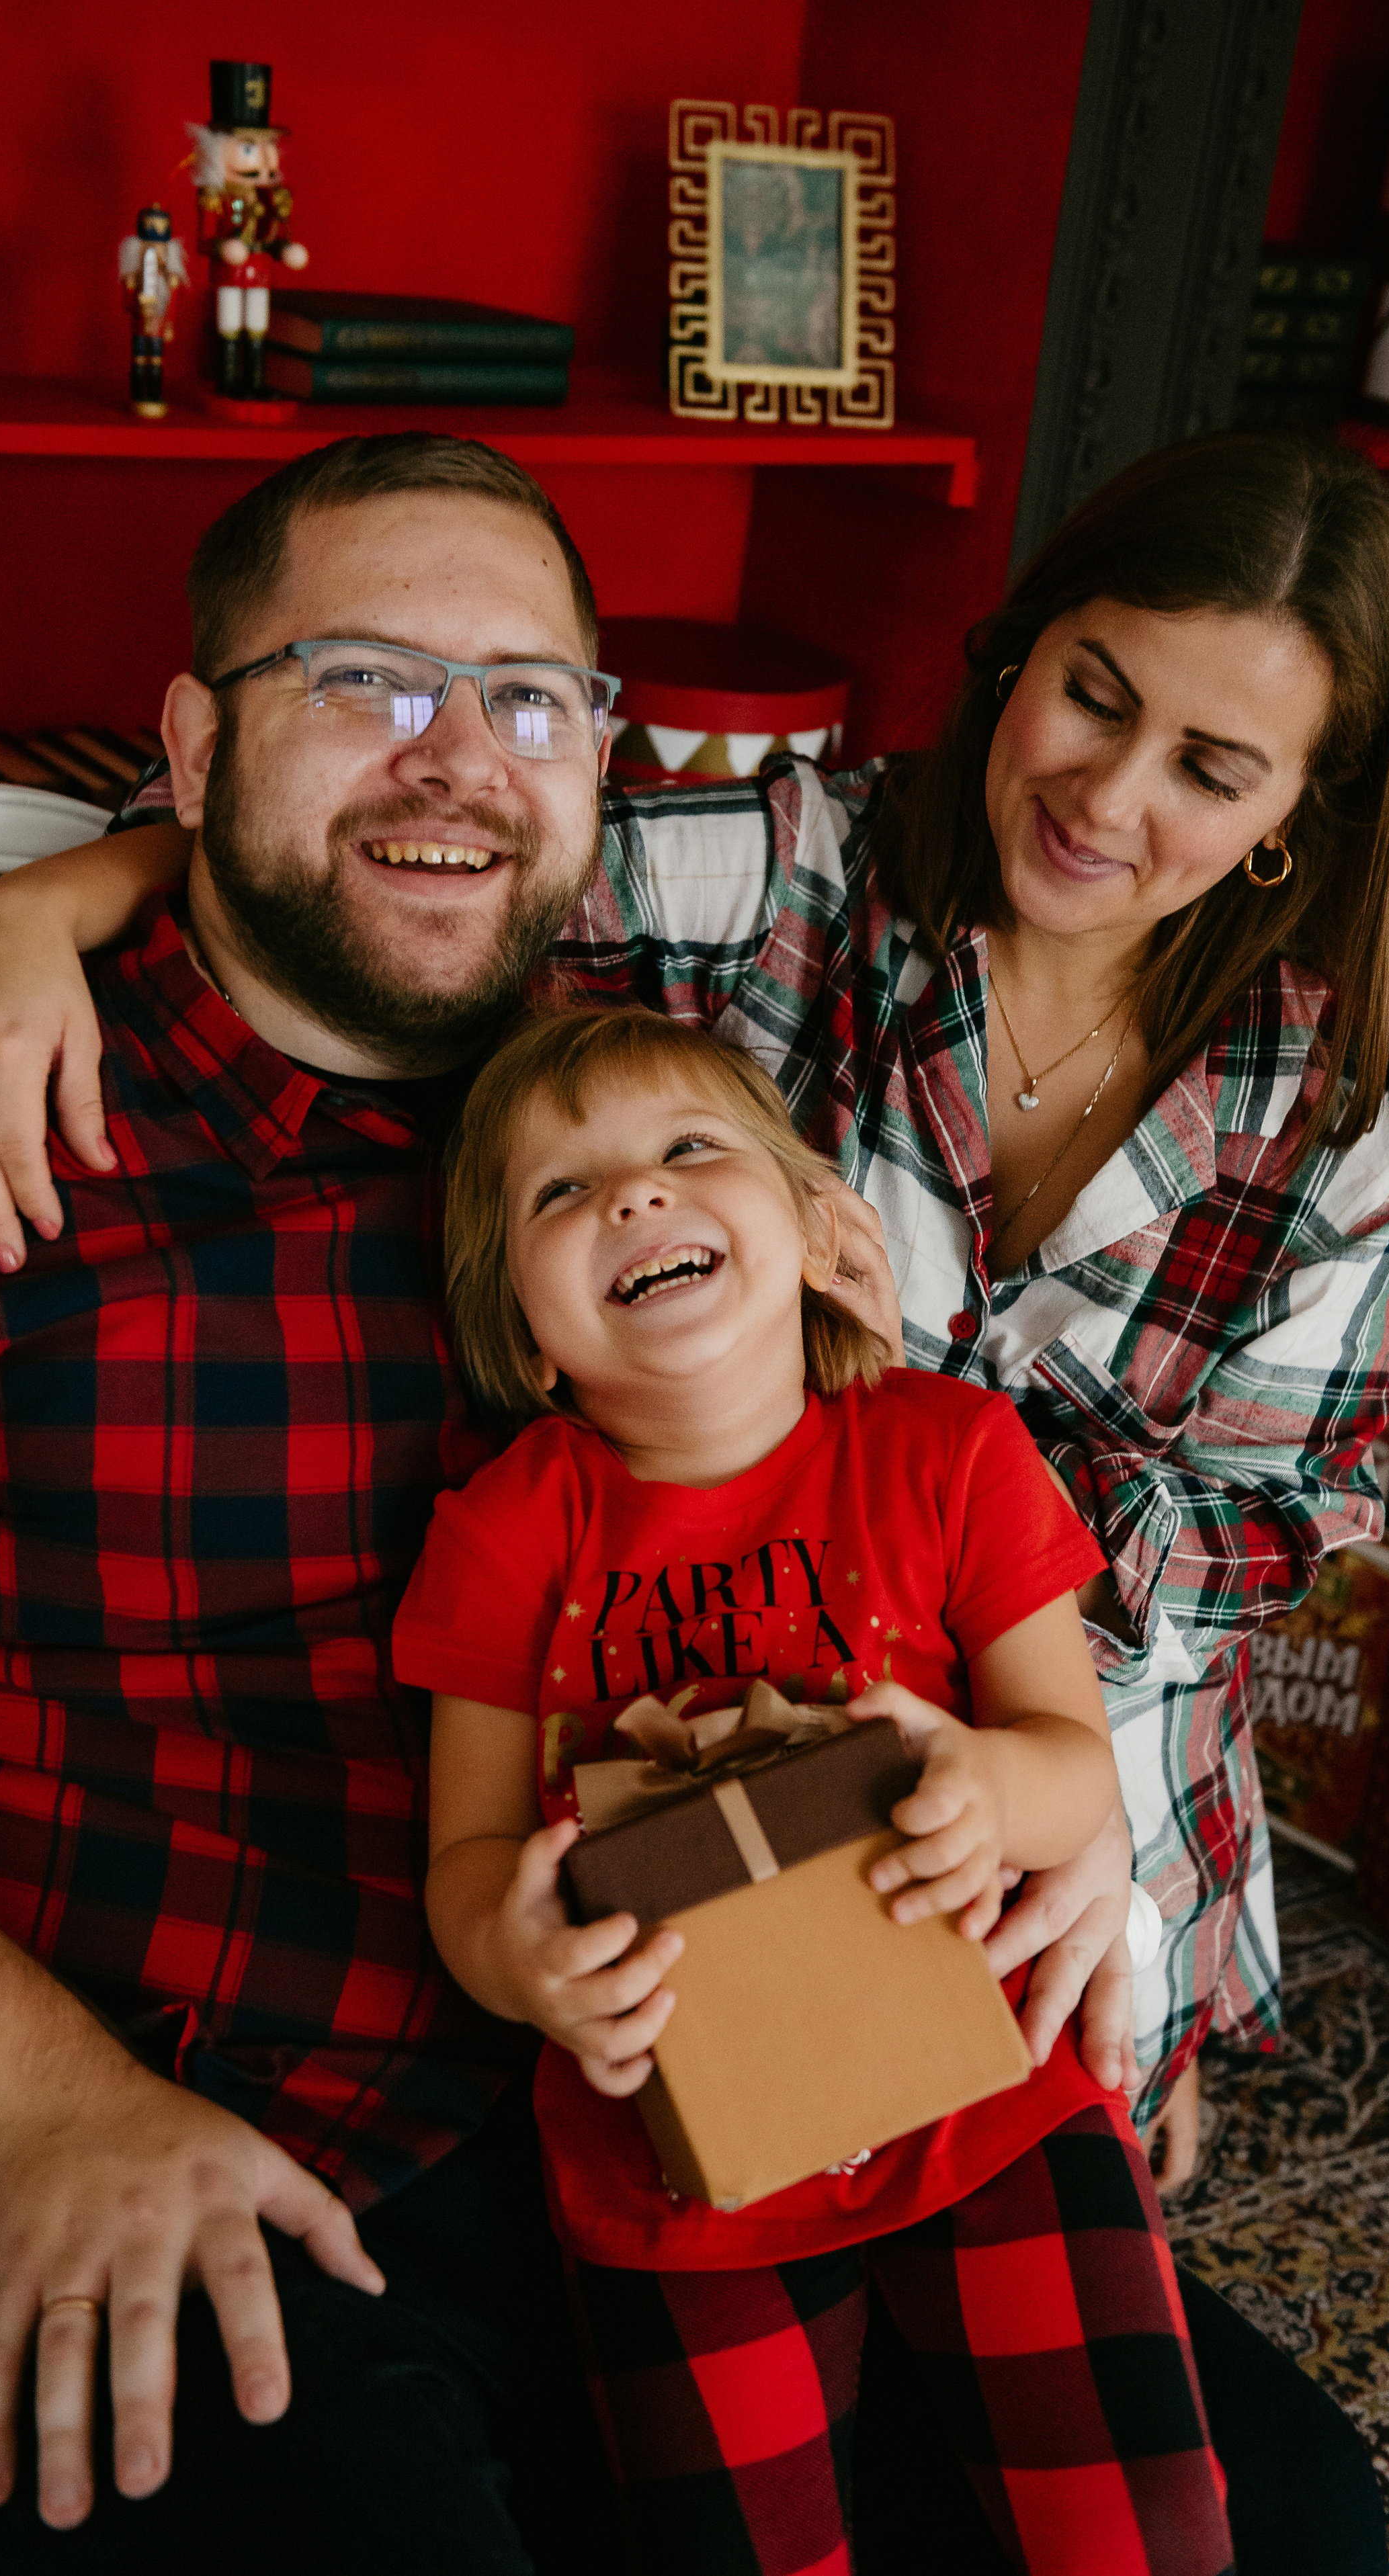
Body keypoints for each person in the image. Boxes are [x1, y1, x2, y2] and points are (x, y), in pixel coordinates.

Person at [0, 426, 1389, 2569]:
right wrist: (48, 2108)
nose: (455, 760)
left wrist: (1081, 1849)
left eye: (527, 698)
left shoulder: (649, 1088)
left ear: (597, 764)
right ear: (200, 742)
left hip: (788, 1998)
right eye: (362, 679)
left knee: (1290, 2519)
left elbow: (1198, 1565)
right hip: (241, 2106)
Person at [400, 998, 1232, 2576]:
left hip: (995, 2082)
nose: (635, 1194)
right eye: (561, 1191)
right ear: (518, 1326)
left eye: (686, 1146)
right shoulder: (506, 1531)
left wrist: (988, 1785)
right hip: (675, 2150)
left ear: (814, 1226)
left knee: (1145, 2531)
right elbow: (468, 1863)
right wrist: (519, 1964)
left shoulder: (950, 1450)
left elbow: (1072, 1774)